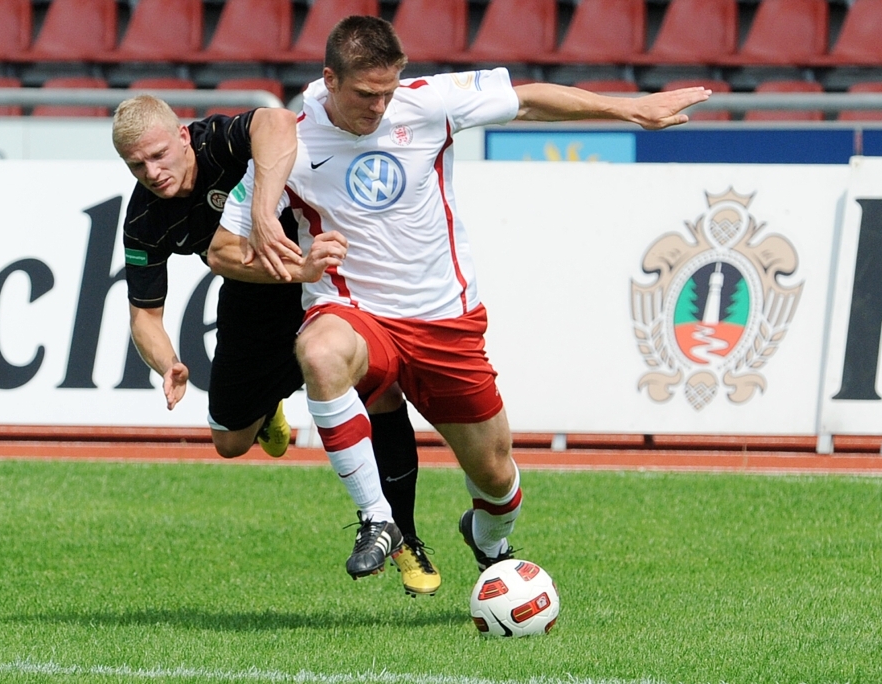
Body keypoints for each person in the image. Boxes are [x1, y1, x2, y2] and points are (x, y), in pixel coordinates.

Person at [216, 15, 711, 576]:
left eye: (387, 92)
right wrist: (299, 271)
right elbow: (222, 250)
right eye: (364, 94)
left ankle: (488, 539)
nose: (378, 107)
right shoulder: (289, 139)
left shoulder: (426, 103)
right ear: (329, 79)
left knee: (497, 474)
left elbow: (526, 101)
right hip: (356, 313)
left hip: (444, 319)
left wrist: (630, 108)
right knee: (321, 354)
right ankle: (379, 519)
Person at [112, 95, 441, 596]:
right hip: (255, 298)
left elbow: (275, 120)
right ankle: (268, 409)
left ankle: (405, 538)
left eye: (159, 155)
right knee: (229, 442)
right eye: (137, 165)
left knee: (382, 393)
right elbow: (144, 316)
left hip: (330, 279)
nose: (152, 172)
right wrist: (169, 363)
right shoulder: (145, 219)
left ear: (183, 136)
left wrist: (262, 209)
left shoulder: (217, 142)